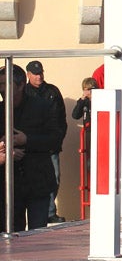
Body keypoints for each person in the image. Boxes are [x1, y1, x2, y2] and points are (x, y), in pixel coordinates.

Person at [0, 64, 62, 232]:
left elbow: (55, 139)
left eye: (8, 84)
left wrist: (27, 139)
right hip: (9, 187)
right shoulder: (0, 110)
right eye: (1, 84)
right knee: (12, 236)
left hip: (37, 182)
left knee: (37, 235)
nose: (3, 89)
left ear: (21, 85)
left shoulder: (41, 107)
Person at [24, 60, 66, 224]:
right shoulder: (24, 93)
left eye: (41, 72)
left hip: (51, 144)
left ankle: (50, 211)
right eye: (35, 73)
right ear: (28, 75)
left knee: (54, 178)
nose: (39, 76)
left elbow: (61, 118)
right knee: (33, 181)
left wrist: (59, 137)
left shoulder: (52, 92)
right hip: (31, 146)